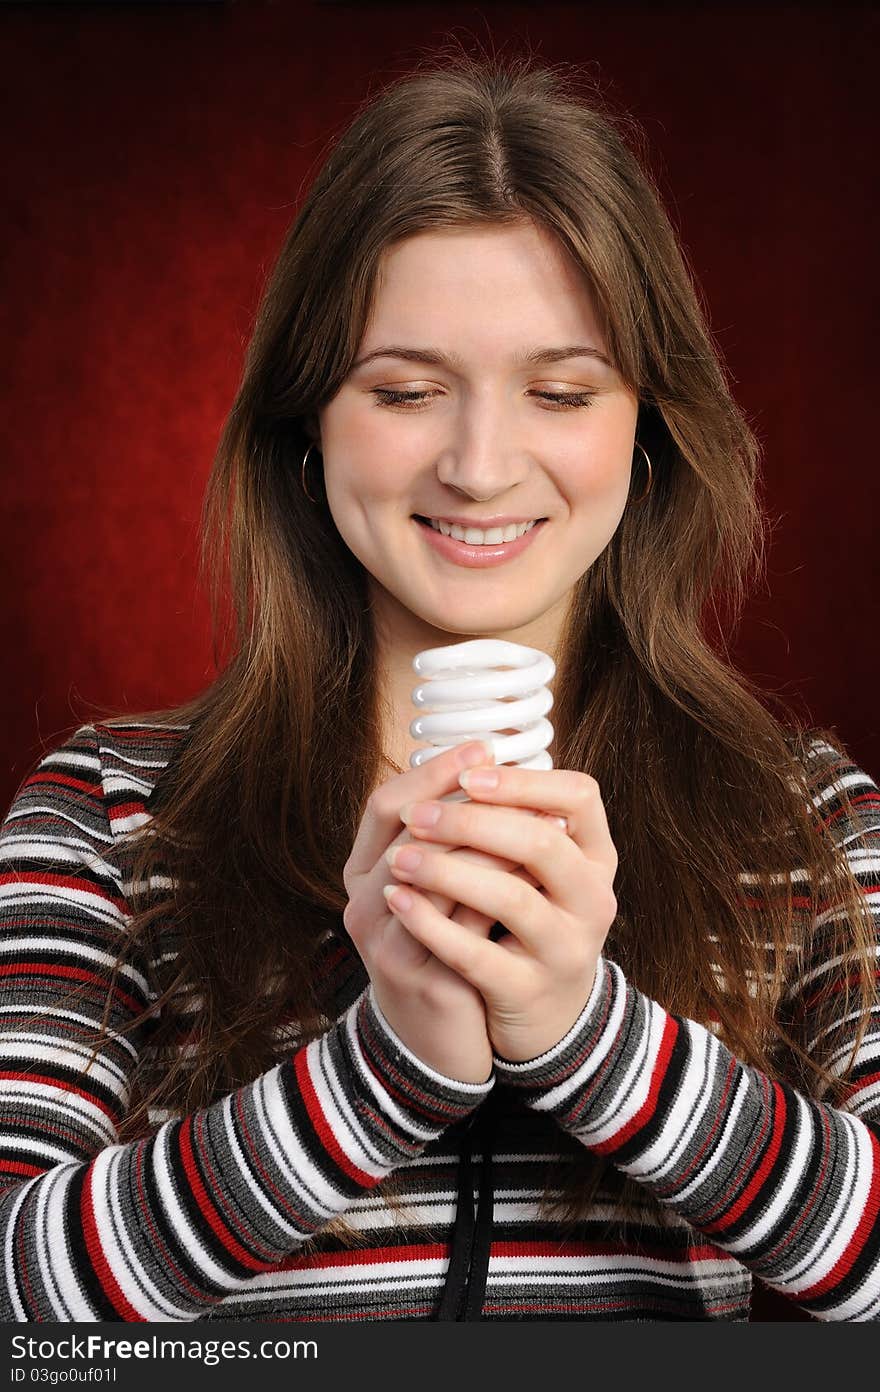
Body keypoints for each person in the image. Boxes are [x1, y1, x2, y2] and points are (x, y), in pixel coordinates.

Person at [1, 50, 878, 1325]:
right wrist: (382, 1068)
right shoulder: (111, 816)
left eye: (560, 391)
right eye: (406, 391)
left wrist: (582, 1028)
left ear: (649, 429)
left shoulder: (801, 824)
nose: (477, 464)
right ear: (308, 425)